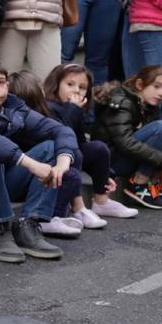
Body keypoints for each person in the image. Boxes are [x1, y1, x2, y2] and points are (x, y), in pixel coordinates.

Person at [0, 57, 79, 263]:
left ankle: (28, 224)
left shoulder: (14, 106)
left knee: (50, 147)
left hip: (5, 180)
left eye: (1, 82)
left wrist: (63, 162)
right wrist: (30, 163)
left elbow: (60, 130)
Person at [43, 63, 130, 222]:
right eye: (70, 84)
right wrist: (72, 109)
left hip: (72, 157)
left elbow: (81, 142)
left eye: (82, 87)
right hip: (54, 159)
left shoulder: (75, 109)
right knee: (73, 150)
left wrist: (105, 174)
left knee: (98, 148)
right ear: (55, 85)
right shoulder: (48, 107)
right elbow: (63, 136)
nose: (76, 90)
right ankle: (75, 208)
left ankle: (101, 201)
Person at [5, 70, 84, 239]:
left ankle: (69, 211)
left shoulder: (40, 115)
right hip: (8, 182)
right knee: (51, 148)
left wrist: (63, 162)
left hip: (28, 177)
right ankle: (42, 217)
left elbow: (67, 133)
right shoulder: (8, 118)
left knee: (70, 158)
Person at [90, 64, 162, 210]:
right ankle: (139, 183)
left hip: (126, 158)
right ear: (140, 84)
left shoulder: (148, 106)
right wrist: (159, 157)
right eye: (156, 86)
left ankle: (157, 181)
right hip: (111, 164)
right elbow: (124, 143)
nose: (161, 93)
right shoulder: (122, 102)